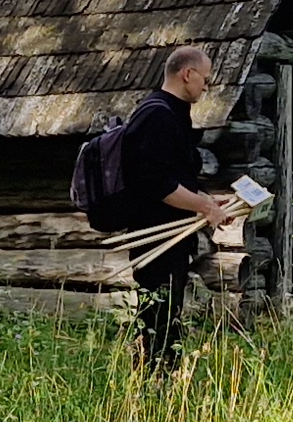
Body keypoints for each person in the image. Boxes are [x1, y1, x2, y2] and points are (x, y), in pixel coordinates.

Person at [97, 43, 234, 369]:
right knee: (159, 318)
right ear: (187, 74)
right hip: (157, 235)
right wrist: (205, 207)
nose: (206, 86)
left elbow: (175, 175)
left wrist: (208, 201)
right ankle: (155, 385)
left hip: (170, 235)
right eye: (205, 78)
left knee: (164, 314)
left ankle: (158, 384)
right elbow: (157, 184)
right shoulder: (157, 115)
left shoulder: (170, 113)